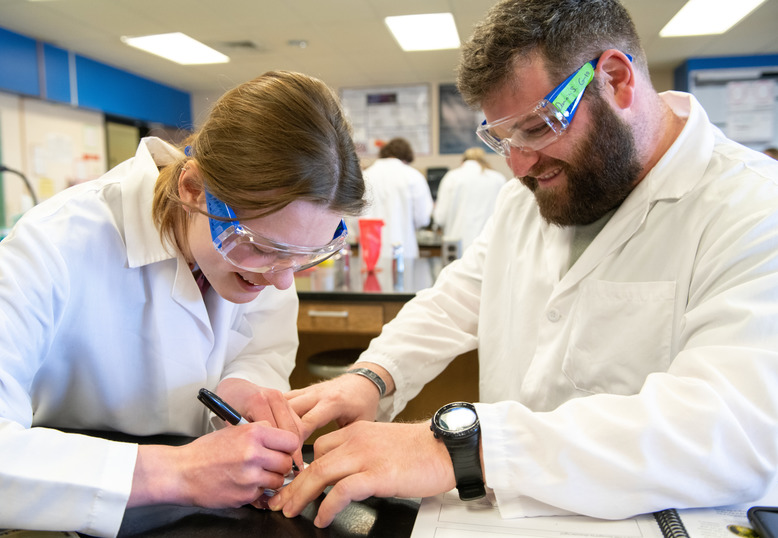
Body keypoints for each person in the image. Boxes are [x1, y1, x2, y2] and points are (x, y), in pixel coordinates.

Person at [269, 0, 778, 529]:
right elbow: (456, 299)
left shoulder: (754, 208)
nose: (518, 165)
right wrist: (373, 378)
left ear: (616, 79)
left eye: (536, 127)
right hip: (509, 517)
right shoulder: (530, 198)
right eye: (504, 138)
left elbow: (730, 429)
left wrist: (462, 449)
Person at [0, 70, 366, 536]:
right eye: (260, 246)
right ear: (193, 189)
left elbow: (261, 349)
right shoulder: (58, 242)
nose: (283, 281)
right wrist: (172, 471)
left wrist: (240, 389)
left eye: (306, 256)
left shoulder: (273, 249)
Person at [358, 137, 433, 258]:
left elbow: (353, 216)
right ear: (405, 159)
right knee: (402, 275)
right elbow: (423, 218)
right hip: (404, 249)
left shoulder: (364, 176)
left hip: (371, 252)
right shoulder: (413, 176)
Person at [432, 146, 507, 252]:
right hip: (489, 245)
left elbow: (440, 218)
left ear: (462, 161)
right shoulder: (498, 178)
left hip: (457, 245)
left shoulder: (452, 177)